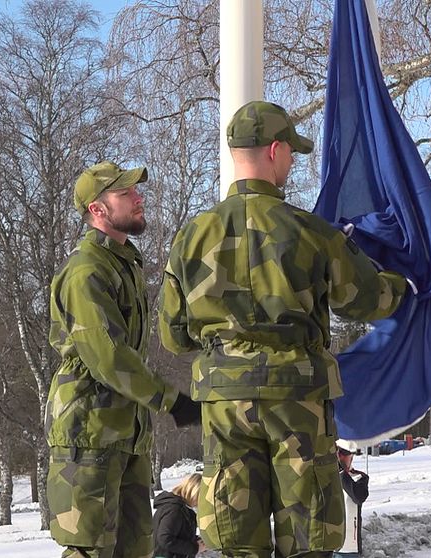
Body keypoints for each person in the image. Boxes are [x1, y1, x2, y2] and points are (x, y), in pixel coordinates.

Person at [158, 101, 409, 558]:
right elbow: (369, 300)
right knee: (307, 538)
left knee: (236, 541)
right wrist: (409, 283)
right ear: (274, 150)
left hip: (225, 403)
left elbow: (174, 335)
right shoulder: (309, 231)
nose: (292, 161)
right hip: (297, 400)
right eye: (291, 151)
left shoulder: (191, 237)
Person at [46, 160, 202, 558]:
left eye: (136, 190)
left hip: (126, 433)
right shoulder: (86, 271)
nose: (138, 198)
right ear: (97, 210)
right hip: (90, 431)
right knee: (89, 550)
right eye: (125, 193)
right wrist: (172, 401)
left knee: (135, 549)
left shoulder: (122, 263)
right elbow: (108, 358)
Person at [152, 473, 204, 558]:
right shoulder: (174, 510)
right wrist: (194, 548)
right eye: (200, 497)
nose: (200, 502)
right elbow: (165, 539)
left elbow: (179, 533)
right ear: (193, 491)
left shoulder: (181, 508)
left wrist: (196, 540)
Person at [335, 443, 369, 558]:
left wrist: (340, 471)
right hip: (326, 545)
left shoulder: (359, 477)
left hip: (349, 547)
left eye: (344, 453)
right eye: (337, 453)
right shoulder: (326, 478)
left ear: (352, 456)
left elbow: (358, 496)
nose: (340, 457)